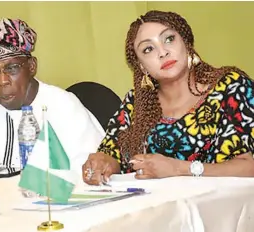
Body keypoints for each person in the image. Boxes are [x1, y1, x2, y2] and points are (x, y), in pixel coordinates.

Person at [83, 10, 254, 185]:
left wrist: (179, 169)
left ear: (186, 43)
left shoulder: (230, 87)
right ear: (142, 67)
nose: (162, 52)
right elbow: (113, 156)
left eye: (169, 39)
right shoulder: (136, 103)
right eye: (148, 49)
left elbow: (248, 166)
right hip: (155, 207)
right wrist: (102, 164)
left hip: (221, 207)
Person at [0, 18, 105, 173]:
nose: (2, 81)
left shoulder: (63, 106)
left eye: (11, 69)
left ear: (32, 67)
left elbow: (91, 171)